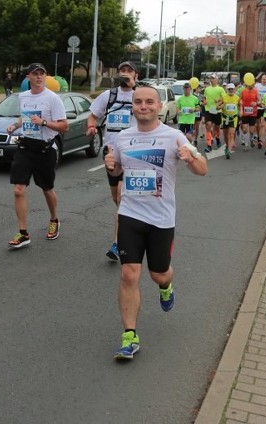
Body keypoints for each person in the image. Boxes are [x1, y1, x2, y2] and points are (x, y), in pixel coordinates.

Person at [103, 85, 208, 360]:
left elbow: (202, 170)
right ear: (133, 107)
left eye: (149, 101)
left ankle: (166, 286)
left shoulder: (173, 136)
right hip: (130, 214)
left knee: (158, 273)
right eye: (138, 102)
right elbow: (117, 170)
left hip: (161, 219)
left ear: (159, 106)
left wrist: (191, 157)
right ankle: (129, 335)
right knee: (128, 274)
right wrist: (111, 165)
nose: (143, 106)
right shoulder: (123, 138)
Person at [5, 63, 69, 249]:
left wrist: (43, 122)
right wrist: (16, 126)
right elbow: (25, 117)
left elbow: (64, 126)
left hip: (45, 149)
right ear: (28, 77)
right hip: (25, 147)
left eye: (42, 73)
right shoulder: (23, 97)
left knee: (47, 189)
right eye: (35, 74)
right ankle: (24, 233)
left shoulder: (52, 98)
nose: (39, 77)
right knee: (18, 189)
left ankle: (54, 219)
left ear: (46, 76)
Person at [86, 61, 139, 262]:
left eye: (129, 71)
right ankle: (129, 221)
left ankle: (118, 243)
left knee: (121, 196)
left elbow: (152, 118)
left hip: (132, 153)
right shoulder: (108, 96)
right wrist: (91, 127)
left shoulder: (139, 96)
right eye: (122, 71)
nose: (125, 74)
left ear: (136, 74)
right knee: (116, 198)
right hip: (110, 152)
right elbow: (93, 116)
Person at [202, 74, 225, 153]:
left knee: (217, 127)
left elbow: (224, 99)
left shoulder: (220, 89)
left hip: (217, 110)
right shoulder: (207, 89)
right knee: (208, 125)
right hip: (209, 109)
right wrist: (204, 102)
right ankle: (209, 146)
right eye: (210, 78)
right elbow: (204, 98)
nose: (211, 80)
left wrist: (218, 101)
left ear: (217, 80)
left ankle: (218, 138)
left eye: (213, 78)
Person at [238, 77, 259, 151]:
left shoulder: (256, 91)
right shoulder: (243, 91)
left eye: (253, 83)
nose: (252, 85)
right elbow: (239, 100)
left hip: (253, 114)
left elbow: (260, 101)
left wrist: (256, 103)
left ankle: (251, 139)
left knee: (251, 131)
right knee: (244, 129)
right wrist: (240, 108)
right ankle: (246, 145)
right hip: (245, 113)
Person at [220, 82, 240, 159]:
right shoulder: (224, 97)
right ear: (227, 90)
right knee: (225, 136)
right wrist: (220, 106)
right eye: (229, 89)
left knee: (231, 135)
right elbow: (217, 106)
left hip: (233, 118)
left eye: (232, 89)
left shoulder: (237, 98)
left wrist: (241, 111)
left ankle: (228, 151)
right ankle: (227, 146)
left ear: (234, 89)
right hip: (225, 118)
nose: (231, 90)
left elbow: (240, 105)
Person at [254, 74, 266, 148]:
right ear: (261, 80)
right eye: (264, 79)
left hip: (265, 108)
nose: (265, 81)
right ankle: (258, 137)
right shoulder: (257, 86)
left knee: (262, 124)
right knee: (257, 124)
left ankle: (260, 140)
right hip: (257, 108)